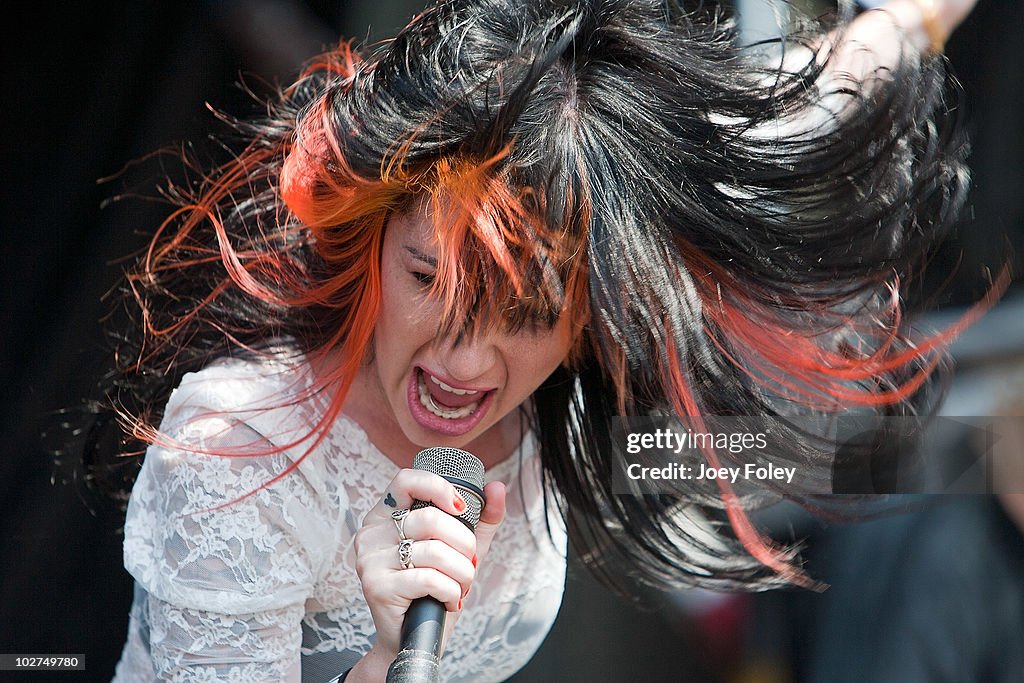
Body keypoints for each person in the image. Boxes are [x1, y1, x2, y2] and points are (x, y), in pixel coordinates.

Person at [87, 0, 997, 680]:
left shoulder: (578, 424)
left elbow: (788, 121)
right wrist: (384, 655)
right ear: (372, 234)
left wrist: (911, 19)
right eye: (429, 280)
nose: (465, 362)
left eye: (526, 311)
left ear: (591, 305)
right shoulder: (242, 454)